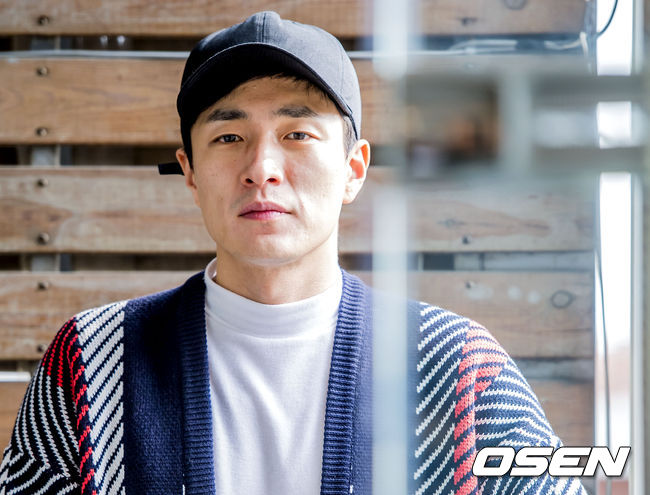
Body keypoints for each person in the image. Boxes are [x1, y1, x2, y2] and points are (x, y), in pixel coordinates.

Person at [0, 11, 586, 495]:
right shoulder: (90, 364)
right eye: (229, 137)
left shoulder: (454, 368)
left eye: (297, 134)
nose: (262, 169)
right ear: (190, 172)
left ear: (354, 169)